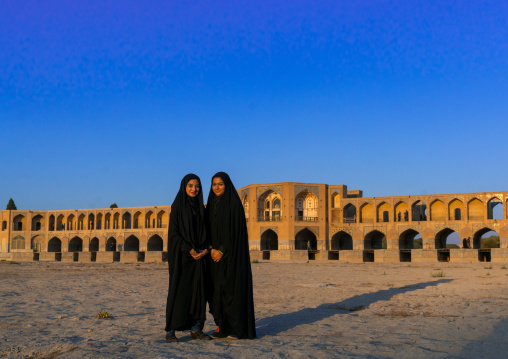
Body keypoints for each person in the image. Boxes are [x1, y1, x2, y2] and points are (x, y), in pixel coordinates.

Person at [206, 172, 256, 340]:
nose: (217, 187)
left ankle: (235, 329)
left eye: (220, 184)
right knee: (216, 291)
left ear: (227, 185)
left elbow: (234, 231)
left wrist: (222, 250)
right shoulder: (211, 204)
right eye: (214, 184)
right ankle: (222, 327)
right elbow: (207, 230)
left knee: (231, 291)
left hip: (231, 256)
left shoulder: (234, 204)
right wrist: (211, 248)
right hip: (214, 256)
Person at [165, 174, 211, 343]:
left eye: (197, 186)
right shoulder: (177, 207)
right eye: (191, 186)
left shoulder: (201, 208)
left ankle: (196, 328)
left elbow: (208, 234)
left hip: (199, 258)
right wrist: (189, 249)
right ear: (184, 187)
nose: (194, 189)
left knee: (199, 293)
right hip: (182, 258)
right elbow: (174, 235)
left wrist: (205, 250)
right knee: (178, 292)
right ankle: (171, 330)